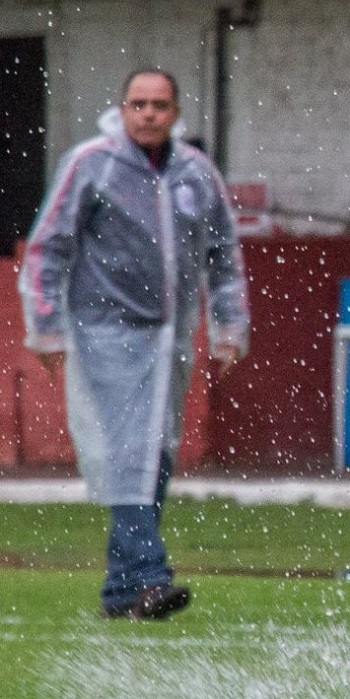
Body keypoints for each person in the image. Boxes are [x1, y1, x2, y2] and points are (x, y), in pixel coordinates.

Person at [19, 69, 248, 619]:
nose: (148, 114)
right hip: (106, 329)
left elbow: (223, 255)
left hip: (171, 332)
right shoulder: (91, 164)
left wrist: (229, 326)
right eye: (138, 104)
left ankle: (121, 589)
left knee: (156, 450)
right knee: (125, 447)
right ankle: (150, 576)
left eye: (159, 105)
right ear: (121, 109)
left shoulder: (197, 174)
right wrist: (45, 326)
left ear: (175, 112)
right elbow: (49, 247)